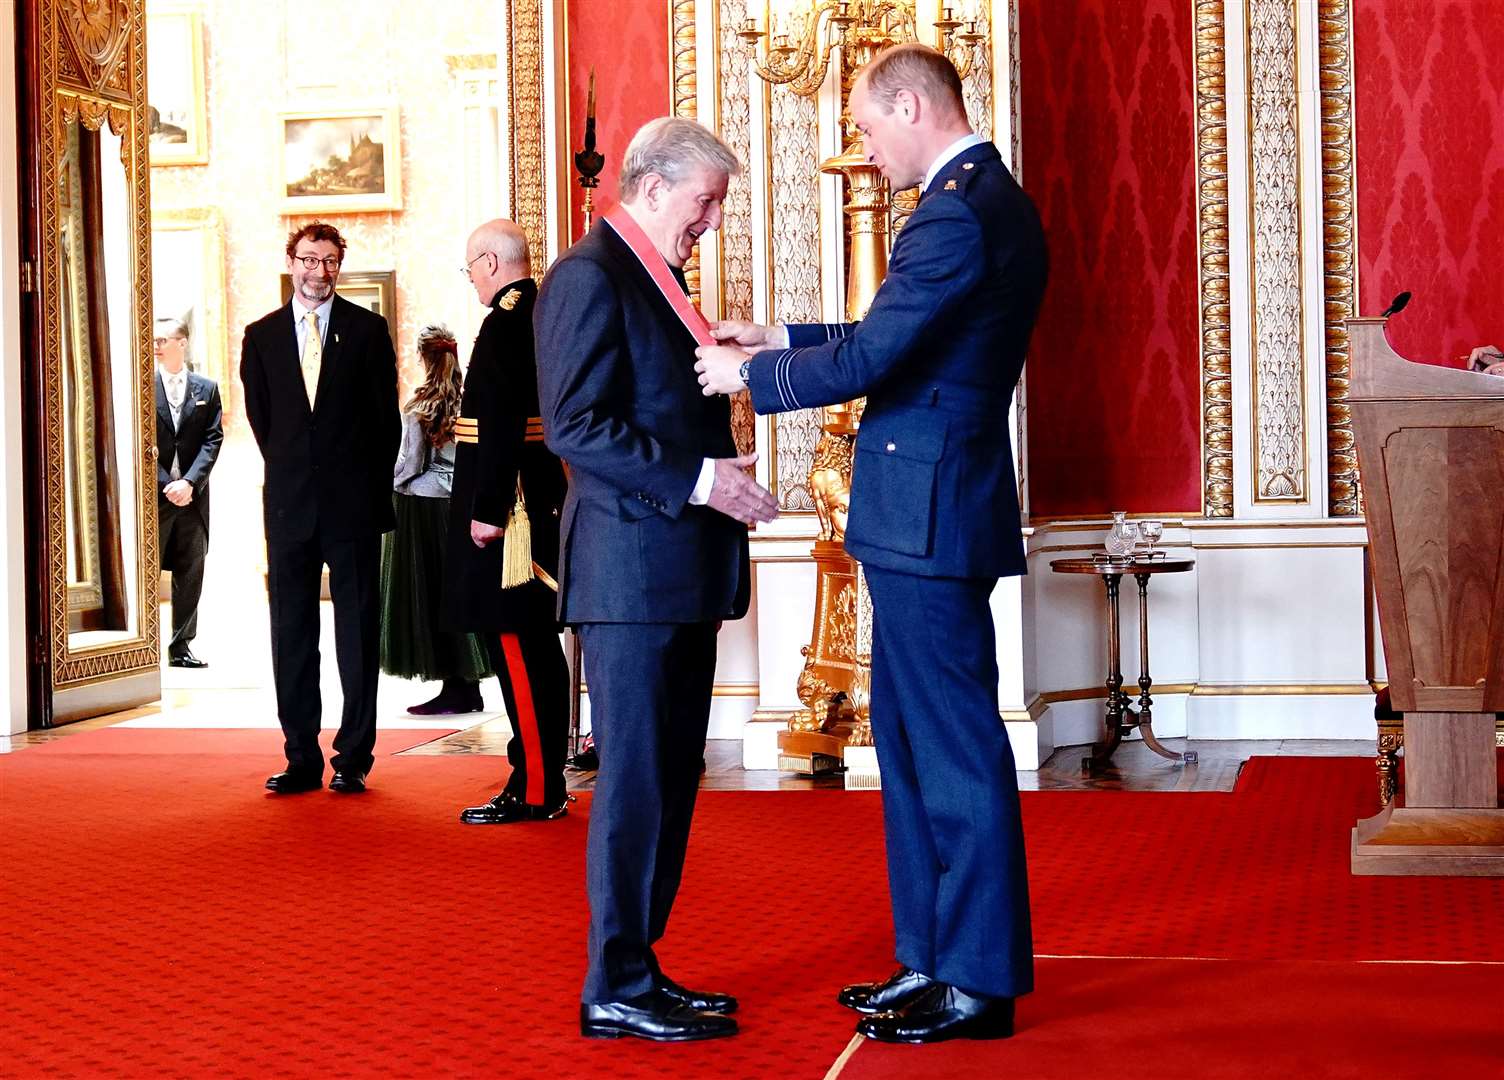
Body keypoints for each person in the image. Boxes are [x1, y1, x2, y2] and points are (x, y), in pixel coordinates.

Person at [695, 43, 1048, 1045]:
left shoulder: (954, 210)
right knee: (904, 738)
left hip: (929, 511)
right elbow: (898, 331)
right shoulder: (981, 201)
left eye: (865, 125)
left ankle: (975, 980)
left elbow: (884, 352)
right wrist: (779, 334)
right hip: (926, 507)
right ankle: (932, 956)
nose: (864, 145)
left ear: (910, 104)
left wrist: (746, 380)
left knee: (951, 748)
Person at [534, 117, 779, 1042]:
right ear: (650, 185)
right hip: (631, 578)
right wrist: (704, 479)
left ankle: (639, 968)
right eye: (705, 200)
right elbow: (575, 427)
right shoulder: (589, 277)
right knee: (637, 782)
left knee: (672, 777)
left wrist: (722, 464)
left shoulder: (657, 278)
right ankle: (613, 987)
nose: (711, 220)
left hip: (675, 571)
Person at [240, 222, 400, 796]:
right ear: (291, 262)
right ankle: (301, 757)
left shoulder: (367, 331)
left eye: (330, 261)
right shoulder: (260, 338)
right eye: (309, 260)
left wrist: (368, 491)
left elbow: (387, 425)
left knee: (357, 634)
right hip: (288, 510)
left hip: (352, 509)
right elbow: (266, 426)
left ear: (340, 265)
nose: (319, 272)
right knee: (292, 633)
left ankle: (353, 756)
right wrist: (294, 474)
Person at [444, 218, 572, 825]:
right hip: (539, 494)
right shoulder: (541, 313)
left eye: (471, 266)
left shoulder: (504, 323)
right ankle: (538, 776)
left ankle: (538, 787)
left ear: (492, 263)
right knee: (533, 646)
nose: (471, 278)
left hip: (512, 513)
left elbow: (496, 426)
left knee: (520, 647)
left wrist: (487, 512)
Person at [379, 324, 493, 713]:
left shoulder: (419, 407)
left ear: (423, 358)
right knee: (459, 594)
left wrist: (386, 484)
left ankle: (452, 686)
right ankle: (469, 684)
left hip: (423, 510)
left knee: (428, 598)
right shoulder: (469, 401)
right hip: (460, 507)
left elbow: (409, 465)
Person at [153, 316, 222, 669]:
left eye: (163, 339)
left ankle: (181, 647)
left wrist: (191, 482)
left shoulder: (206, 389)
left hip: (194, 499)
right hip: (156, 498)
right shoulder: (142, 385)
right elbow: (141, 441)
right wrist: (168, 484)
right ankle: (143, 649)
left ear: (182, 342)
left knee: (190, 571)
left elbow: (213, 439)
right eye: (154, 340)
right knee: (147, 571)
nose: (156, 346)